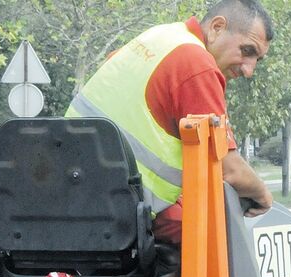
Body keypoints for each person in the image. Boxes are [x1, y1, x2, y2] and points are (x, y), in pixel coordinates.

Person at [66, 0, 275, 245]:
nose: (249, 70)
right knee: (222, 240)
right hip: (123, 213)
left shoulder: (159, 36)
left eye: (257, 60)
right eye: (247, 51)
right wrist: (263, 195)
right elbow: (229, 170)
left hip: (75, 194)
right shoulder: (196, 64)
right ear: (217, 27)